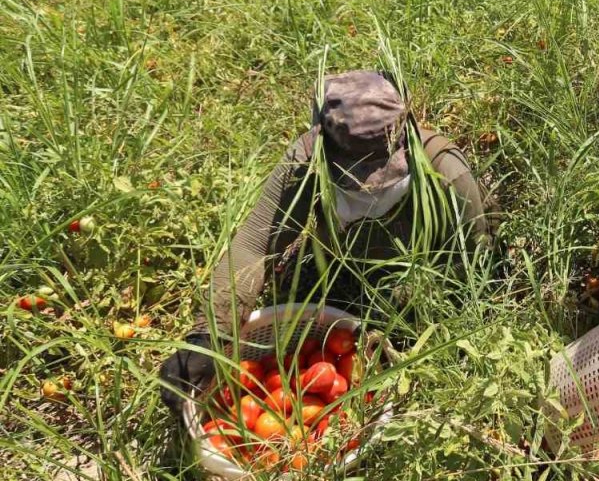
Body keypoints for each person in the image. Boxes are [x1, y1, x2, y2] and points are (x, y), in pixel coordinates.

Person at [159, 70, 491, 417]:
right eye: (352, 173)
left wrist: (408, 307)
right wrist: (206, 338)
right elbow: (255, 245)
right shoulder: (306, 162)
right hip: (345, 267)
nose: (367, 187)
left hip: (420, 275)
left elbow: (467, 260)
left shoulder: (443, 168)